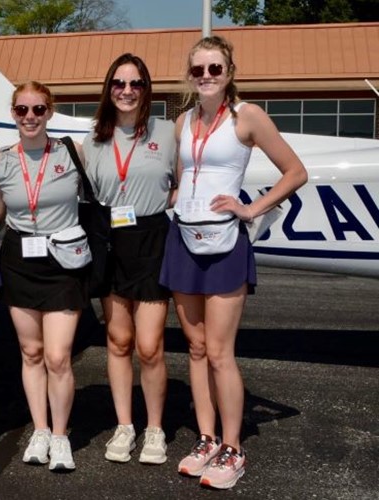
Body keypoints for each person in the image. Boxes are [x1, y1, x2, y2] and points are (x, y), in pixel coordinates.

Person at [160, 36, 307, 489]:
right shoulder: (182, 121)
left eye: (215, 69)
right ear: (190, 75)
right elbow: (185, 177)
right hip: (184, 237)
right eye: (199, 70)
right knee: (196, 347)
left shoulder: (248, 116)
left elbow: (296, 171)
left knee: (221, 352)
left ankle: (232, 447)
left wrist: (251, 208)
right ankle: (206, 439)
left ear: (229, 72)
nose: (206, 77)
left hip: (225, 243)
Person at [82, 54, 177, 466]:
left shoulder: (169, 132)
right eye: (119, 83)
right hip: (110, 241)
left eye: (135, 83)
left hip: (152, 238)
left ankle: (154, 428)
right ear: (108, 88)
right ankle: (125, 425)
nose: (126, 90)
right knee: (119, 341)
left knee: (150, 345)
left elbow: (184, 181)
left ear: (146, 89)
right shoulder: (94, 140)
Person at [0, 81, 87, 472]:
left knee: (58, 356)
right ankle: (40, 429)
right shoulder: (0, 161)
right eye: (22, 110)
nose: (30, 117)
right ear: (13, 113)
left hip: (63, 260)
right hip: (19, 258)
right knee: (31, 353)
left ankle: (61, 436)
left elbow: (99, 195)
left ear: (50, 111)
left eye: (39, 109)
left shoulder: (70, 152)